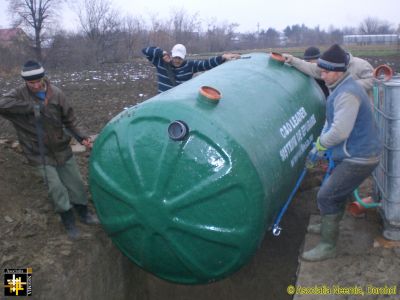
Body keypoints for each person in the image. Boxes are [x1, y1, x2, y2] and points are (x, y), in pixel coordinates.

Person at [0, 60, 99, 239]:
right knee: (56, 188)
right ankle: (68, 221)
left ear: (44, 77)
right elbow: (2, 104)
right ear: (25, 82)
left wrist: (83, 137)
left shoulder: (57, 94)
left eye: (39, 80)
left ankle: (84, 213)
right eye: (31, 83)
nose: (36, 85)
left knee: (76, 183)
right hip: (38, 153)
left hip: (61, 148)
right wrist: (31, 107)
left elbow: (70, 119)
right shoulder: (18, 95)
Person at [301, 44, 382, 262]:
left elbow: (340, 131)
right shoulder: (340, 87)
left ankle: (328, 245)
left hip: (360, 156)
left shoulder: (347, 93)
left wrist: (320, 146)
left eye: (325, 71)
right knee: (339, 190)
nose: (322, 74)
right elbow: (331, 122)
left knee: (326, 194)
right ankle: (330, 222)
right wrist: (321, 141)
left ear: (337, 71)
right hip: (356, 151)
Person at [142, 44, 241, 93]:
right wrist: (161, 53)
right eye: (175, 57)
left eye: (180, 58)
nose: (177, 60)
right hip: (162, 100)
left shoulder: (190, 66)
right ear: (171, 55)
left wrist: (222, 57)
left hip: (180, 101)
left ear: (184, 57)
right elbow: (145, 50)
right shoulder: (161, 62)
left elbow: (206, 64)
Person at [283, 45, 374, 98]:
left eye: (327, 72)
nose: (323, 76)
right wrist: (292, 60)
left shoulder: (361, 65)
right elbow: (311, 68)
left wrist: (348, 86)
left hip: (360, 111)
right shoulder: (329, 67)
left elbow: (372, 80)